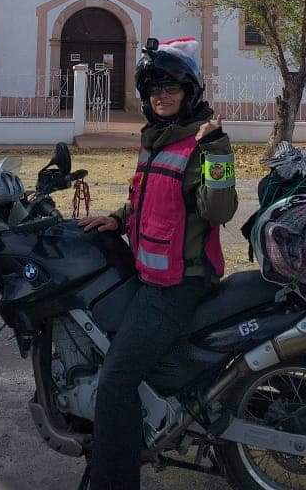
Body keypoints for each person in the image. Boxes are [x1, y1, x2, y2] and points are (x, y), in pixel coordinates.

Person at [77, 37, 238, 490]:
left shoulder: (201, 142)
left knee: (114, 382)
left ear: (189, 91)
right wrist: (117, 218)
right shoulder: (157, 141)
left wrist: (219, 154)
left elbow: (219, 211)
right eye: (153, 89)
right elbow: (152, 202)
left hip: (180, 283)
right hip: (155, 276)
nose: (161, 96)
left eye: (170, 87)